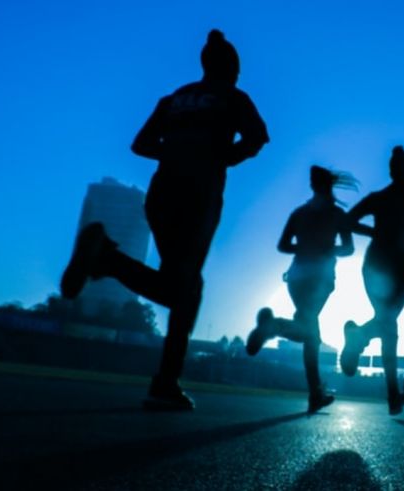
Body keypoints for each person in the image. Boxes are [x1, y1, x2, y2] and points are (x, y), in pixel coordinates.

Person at [60, 29, 269, 410]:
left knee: (184, 286)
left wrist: (174, 152)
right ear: (233, 68)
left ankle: (165, 379)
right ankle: (108, 262)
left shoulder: (174, 98)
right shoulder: (233, 97)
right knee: (184, 289)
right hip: (199, 194)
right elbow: (258, 138)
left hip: (162, 193)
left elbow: (139, 144)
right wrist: (220, 156)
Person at [339, 146, 404, 415]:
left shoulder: (392, 199)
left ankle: (358, 337)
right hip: (389, 271)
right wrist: (390, 234)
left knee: (387, 325)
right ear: (403, 172)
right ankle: (392, 395)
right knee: (388, 326)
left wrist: (386, 233)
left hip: (396, 273)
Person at [246, 166, 356, 413]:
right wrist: (327, 250)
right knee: (311, 334)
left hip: (296, 277)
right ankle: (274, 327)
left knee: (311, 335)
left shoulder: (299, 213)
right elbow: (349, 249)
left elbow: (283, 245)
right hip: (320, 279)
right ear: (330, 186)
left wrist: (305, 248)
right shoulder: (338, 215)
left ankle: (315, 393)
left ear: (312, 186)